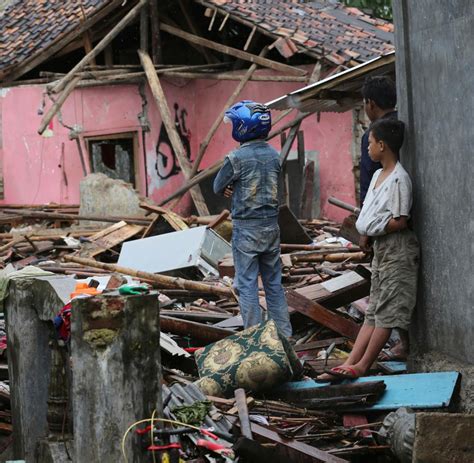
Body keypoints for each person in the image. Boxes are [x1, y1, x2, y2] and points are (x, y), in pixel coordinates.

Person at [318, 118, 419, 380]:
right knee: (374, 309)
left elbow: (400, 220)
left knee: (386, 311)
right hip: (382, 249)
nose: (368, 149)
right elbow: (372, 211)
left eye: (371, 143)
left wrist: (373, 229)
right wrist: (367, 234)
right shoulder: (377, 175)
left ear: (382, 145)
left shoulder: (399, 179)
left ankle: (362, 366)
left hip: (397, 250)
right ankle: (351, 362)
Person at [213, 100, 292, 338]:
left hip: (247, 229)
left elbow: (218, 186)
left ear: (242, 128)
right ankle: (285, 335)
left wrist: (230, 186)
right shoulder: (274, 156)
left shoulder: (236, 158)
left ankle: (256, 339)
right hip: (271, 226)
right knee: (273, 284)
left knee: (246, 284)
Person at [360, 76, 397, 205]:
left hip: (382, 210)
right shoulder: (405, 123)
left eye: (364, 103)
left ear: (371, 104)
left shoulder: (372, 135)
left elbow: (368, 183)